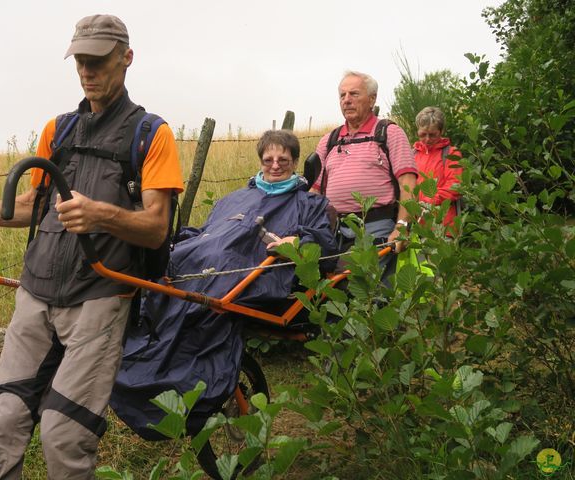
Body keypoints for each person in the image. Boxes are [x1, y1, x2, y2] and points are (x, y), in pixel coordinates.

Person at [0, 14, 183, 478]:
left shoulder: (152, 134)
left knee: (64, 432)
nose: (87, 71)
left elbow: (155, 228)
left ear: (126, 59)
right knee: (5, 421)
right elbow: (33, 205)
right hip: (36, 291)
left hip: (102, 295)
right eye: (80, 62)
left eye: (98, 61)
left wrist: (100, 215)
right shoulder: (59, 130)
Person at [110, 129, 338, 439]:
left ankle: (193, 390)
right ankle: (139, 372)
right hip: (198, 262)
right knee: (159, 291)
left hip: (250, 270)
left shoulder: (308, 203)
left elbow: (322, 242)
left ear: (295, 162)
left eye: (283, 160)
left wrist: (296, 240)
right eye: (268, 159)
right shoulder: (235, 198)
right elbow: (206, 230)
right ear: (260, 160)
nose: (275, 165)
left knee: (201, 309)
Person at [311, 71, 417, 280]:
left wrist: (402, 227)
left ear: (372, 99)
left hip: (376, 228)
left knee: (369, 293)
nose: (347, 100)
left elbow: (408, 183)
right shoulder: (328, 141)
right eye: (342, 95)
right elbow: (314, 190)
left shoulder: (389, 133)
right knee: (335, 291)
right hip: (333, 231)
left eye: (354, 94)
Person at [413, 106, 463, 232]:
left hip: (444, 226)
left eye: (432, 135)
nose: (427, 139)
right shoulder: (412, 155)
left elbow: (455, 186)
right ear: (417, 131)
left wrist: (429, 200)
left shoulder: (451, 153)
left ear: (441, 132)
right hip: (416, 225)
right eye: (423, 134)